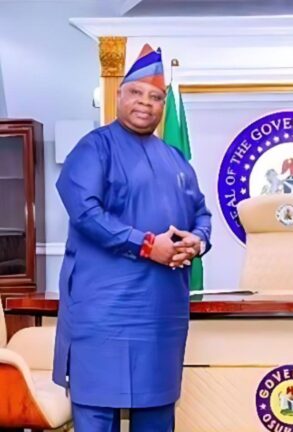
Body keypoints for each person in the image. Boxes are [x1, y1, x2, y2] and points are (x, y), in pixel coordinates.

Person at [53, 44, 212, 431]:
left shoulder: (175, 158)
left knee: (157, 408)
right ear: (119, 96)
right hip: (104, 311)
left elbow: (202, 214)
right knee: (97, 408)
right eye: (136, 93)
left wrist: (197, 242)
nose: (145, 103)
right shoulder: (94, 148)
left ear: (163, 106)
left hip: (161, 315)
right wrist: (147, 246)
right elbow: (86, 212)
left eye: (155, 97)